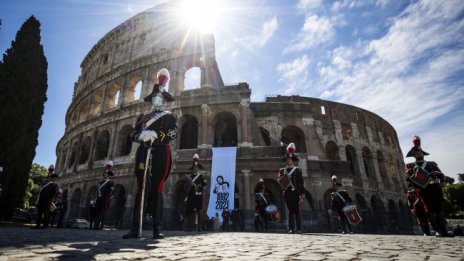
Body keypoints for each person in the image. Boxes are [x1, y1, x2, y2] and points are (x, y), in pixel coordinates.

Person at [123, 68, 178, 239]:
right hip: (143, 152)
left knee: (157, 189)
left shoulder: (170, 116)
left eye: (159, 97)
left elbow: (174, 133)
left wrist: (157, 135)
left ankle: (156, 228)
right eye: (154, 97)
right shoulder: (143, 117)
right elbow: (131, 134)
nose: (157, 99)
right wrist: (140, 136)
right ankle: (134, 227)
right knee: (141, 188)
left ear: (164, 100)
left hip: (161, 152)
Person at [405, 136, 452, 237]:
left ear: (423, 154)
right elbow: (408, 180)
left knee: (439, 209)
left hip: (435, 188)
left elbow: (440, 174)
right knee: (429, 210)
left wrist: (440, 180)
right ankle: (437, 230)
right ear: (414, 155)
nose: (418, 154)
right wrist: (413, 181)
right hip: (422, 190)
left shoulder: (431, 164)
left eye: (420, 152)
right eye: (416, 153)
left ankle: (444, 231)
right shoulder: (410, 166)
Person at [278, 143, 304, 233]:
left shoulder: (297, 170)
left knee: (297, 211)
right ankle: (291, 228)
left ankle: (299, 228)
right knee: (290, 211)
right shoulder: (282, 170)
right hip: (288, 192)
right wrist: (282, 179)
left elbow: (301, 182)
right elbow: (280, 181)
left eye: (290, 159)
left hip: (296, 192)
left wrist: (302, 193)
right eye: (287, 159)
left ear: (292, 160)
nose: (288, 161)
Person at [184, 154, 208, 232]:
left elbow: (205, 184)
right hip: (191, 196)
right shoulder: (189, 177)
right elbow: (185, 186)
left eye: (197, 167)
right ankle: (190, 227)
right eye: (194, 167)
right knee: (190, 212)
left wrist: (199, 187)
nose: (195, 168)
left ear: (198, 168)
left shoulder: (201, 177)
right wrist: (188, 186)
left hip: (198, 196)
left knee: (199, 212)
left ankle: (200, 228)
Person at [93, 160, 115, 230]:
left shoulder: (110, 183)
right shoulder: (100, 182)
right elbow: (97, 191)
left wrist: (109, 197)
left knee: (103, 213)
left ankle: (101, 225)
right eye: (104, 174)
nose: (105, 175)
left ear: (108, 175)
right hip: (99, 198)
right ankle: (95, 225)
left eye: (106, 174)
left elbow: (111, 191)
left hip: (105, 199)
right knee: (97, 212)